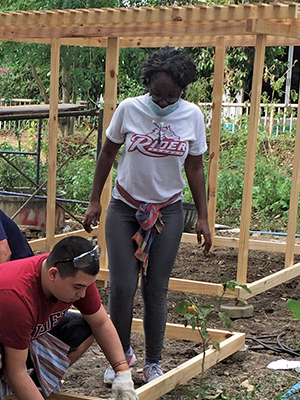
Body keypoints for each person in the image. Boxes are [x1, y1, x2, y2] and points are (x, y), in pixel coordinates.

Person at [82, 47, 213, 384]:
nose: (163, 101)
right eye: (157, 93)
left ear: (182, 90)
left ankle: (153, 361)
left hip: (167, 209)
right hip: (125, 207)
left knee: (156, 288)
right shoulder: (129, 109)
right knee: (122, 286)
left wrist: (203, 216)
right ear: (148, 85)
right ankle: (119, 358)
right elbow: (108, 152)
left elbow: (195, 167)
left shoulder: (192, 116)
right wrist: (95, 200)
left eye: (171, 95)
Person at [0, 236, 137, 400]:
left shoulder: (76, 277)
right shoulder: (15, 295)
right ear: (53, 274)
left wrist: (122, 372)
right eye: (78, 287)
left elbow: (100, 322)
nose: (83, 294)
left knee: (85, 330)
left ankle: (35, 385)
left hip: (11, 330)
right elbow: (14, 371)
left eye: (86, 286)